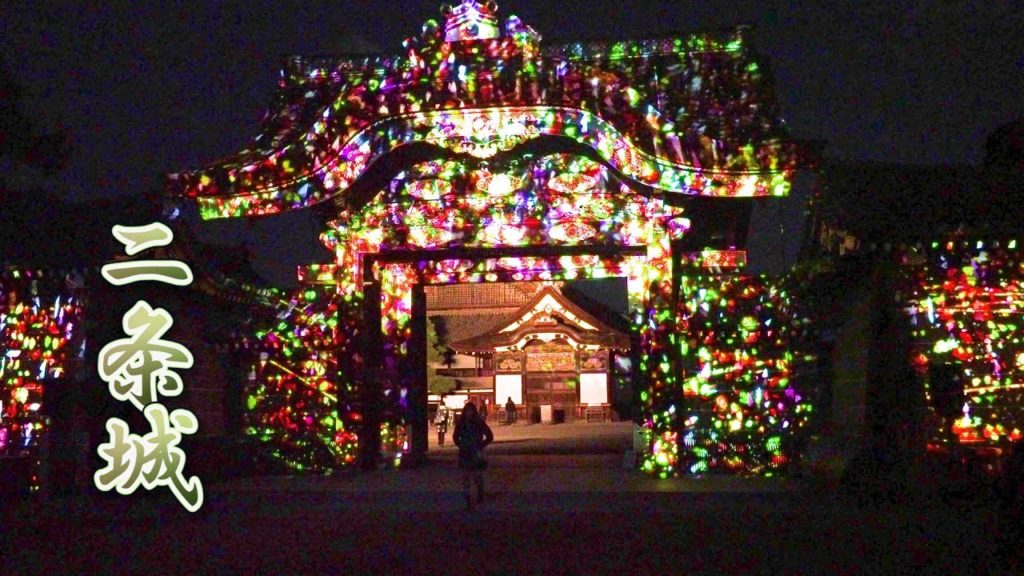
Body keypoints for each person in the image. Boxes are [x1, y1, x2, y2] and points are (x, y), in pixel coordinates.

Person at [453, 402, 494, 511]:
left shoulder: (479, 422)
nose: (469, 413)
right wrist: (461, 445)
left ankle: (479, 493)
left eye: (471, 411)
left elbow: (490, 436)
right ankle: (468, 498)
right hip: (465, 451)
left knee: (477, 475)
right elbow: (455, 436)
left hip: (475, 451)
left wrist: (481, 445)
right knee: (466, 476)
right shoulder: (461, 423)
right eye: (468, 411)